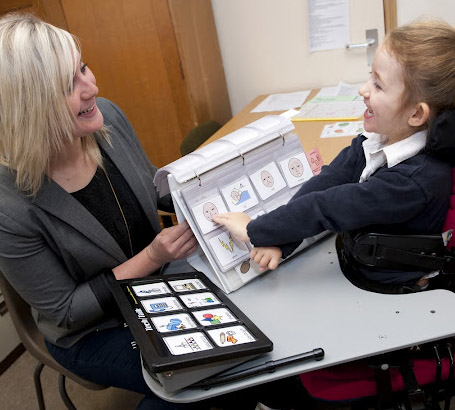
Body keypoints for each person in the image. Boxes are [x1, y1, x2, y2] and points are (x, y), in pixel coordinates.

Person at [0, 12, 260, 410]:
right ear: (31, 108)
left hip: (161, 286)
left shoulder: (107, 120)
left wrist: (233, 189)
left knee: (244, 349)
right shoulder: (10, 206)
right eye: (69, 84)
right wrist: (152, 257)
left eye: (83, 67)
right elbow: (67, 311)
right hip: (94, 330)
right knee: (204, 383)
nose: (92, 87)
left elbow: (152, 185)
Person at [213, 19, 455, 293]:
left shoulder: (413, 182)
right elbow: (329, 181)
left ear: (416, 114)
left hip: (387, 289)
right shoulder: (379, 140)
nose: (363, 89)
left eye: (378, 85)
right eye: (369, 77)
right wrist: (280, 241)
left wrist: (255, 230)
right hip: (353, 261)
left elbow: (328, 207)